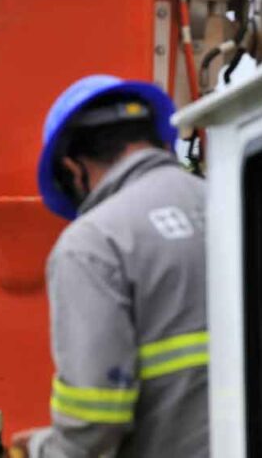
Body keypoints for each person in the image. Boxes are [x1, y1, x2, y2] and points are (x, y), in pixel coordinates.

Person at [24, 75, 207, 457]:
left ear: (74, 170)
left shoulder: (93, 242)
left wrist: (43, 449)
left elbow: (93, 421)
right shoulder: (236, 197)